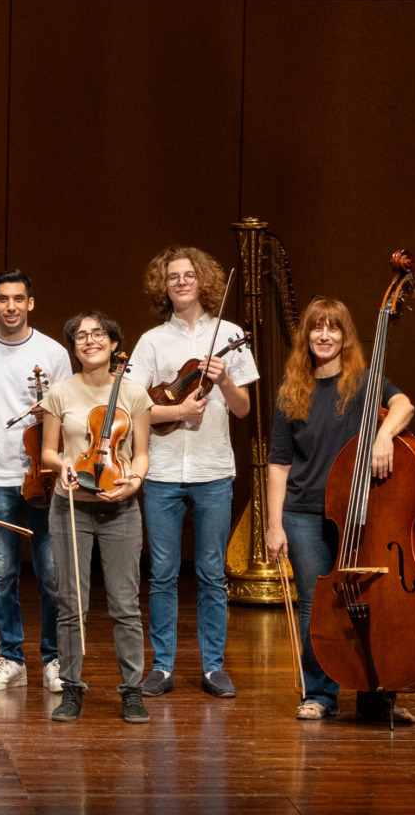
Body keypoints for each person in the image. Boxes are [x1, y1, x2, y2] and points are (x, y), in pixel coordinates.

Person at [265, 296, 415, 724]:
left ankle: (376, 694)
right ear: (307, 336)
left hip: (361, 512)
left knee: (374, 603)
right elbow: (279, 463)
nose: (325, 335)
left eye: (334, 327)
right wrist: (274, 524)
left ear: (345, 335)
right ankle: (320, 695)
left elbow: (404, 404)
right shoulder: (290, 392)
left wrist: (383, 435)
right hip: (305, 512)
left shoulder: (367, 382)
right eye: (317, 327)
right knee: (315, 604)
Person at [130, 246, 257, 698]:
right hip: (162, 470)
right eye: (172, 277)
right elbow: (136, 407)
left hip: (213, 470)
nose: (181, 282)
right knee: (162, 572)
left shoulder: (230, 333)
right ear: (162, 286)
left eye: (188, 275)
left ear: (203, 281)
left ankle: (213, 667)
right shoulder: (151, 341)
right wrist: (179, 410)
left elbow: (242, 410)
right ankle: (162, 667)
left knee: (209, 572)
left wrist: (224, 380)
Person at [0, 269, 73, 694]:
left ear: (31, 303)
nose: (11, 306)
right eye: (3, 299)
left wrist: (51, 416)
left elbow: (69, 417)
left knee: (51, 574)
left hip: (43, 480)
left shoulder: (54, 352)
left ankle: (52, 657)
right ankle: (10, 657)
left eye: (18, 299)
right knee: (2, 574)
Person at [41, 311, 153, 724]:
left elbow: (140, 453)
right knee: (71, 604)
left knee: (125, 605)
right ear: (73, 347)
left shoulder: (135, 394)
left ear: (112, 343)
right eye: (81, 336)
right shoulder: (59, 393)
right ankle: (71, 689)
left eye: (98, 334)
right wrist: (62, 466)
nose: (90, 341)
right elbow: (47, 452)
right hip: (70, 505)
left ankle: (132, 691)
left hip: (120, 506)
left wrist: (135, 480)